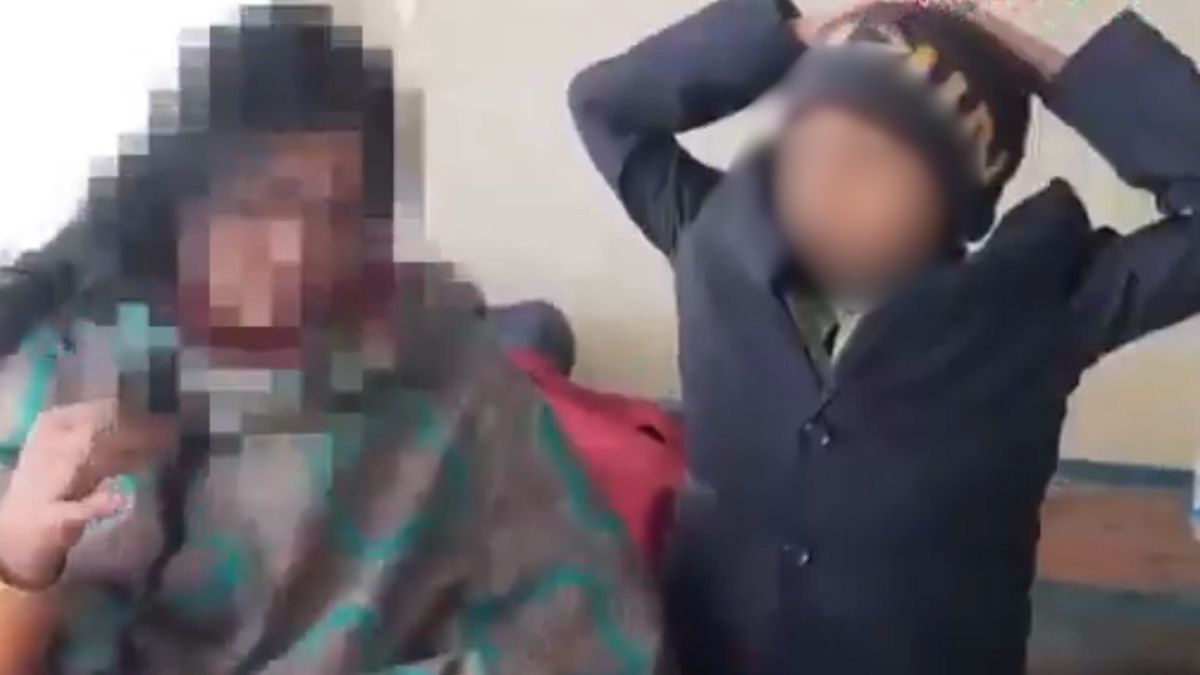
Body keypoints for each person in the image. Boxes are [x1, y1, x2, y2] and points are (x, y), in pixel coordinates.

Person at [0, 6, 662, 673]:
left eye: (334, 211)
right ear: (184, 205)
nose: (296, 250)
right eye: (260, 201)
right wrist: (21, 561)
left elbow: (585, 624)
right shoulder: (71, 369)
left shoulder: (449, 386)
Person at [569, 0, 1200, 673]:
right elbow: (603, 106)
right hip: (710, 652)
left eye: (871, 159)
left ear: (953, 198)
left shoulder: (1036, 307)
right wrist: (790, 28)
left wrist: (1037, 44)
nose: (823, 181)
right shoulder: (711, 236)